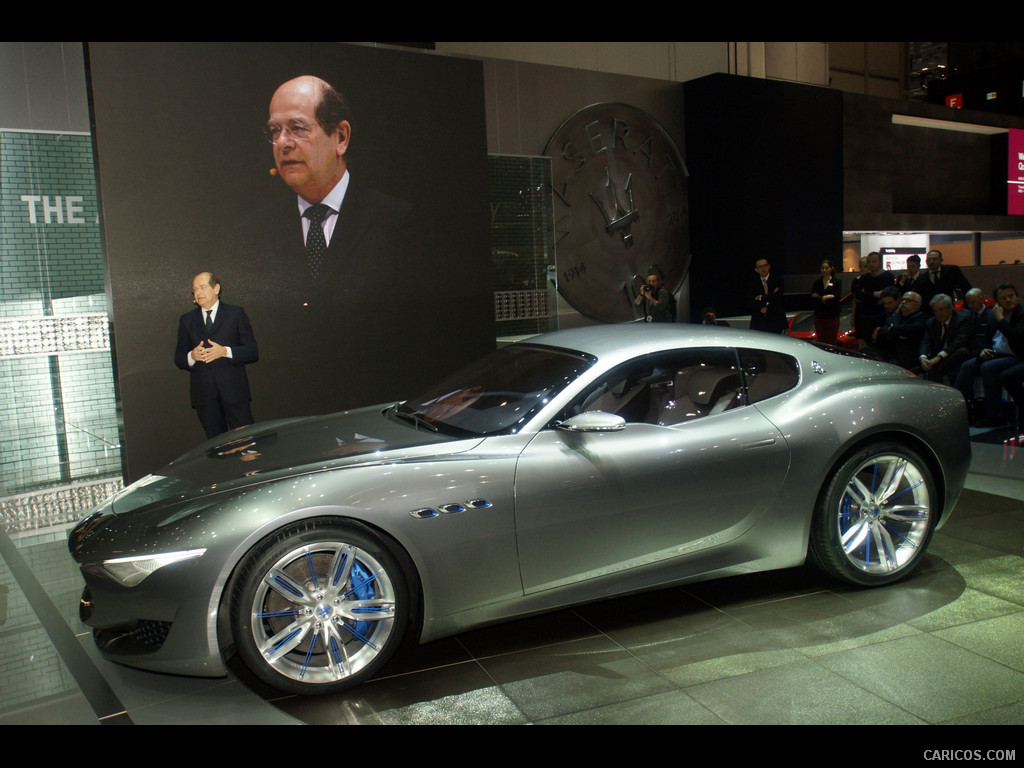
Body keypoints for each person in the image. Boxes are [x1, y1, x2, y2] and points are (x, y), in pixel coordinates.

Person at [174, 272, 259, 439]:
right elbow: (178, 357)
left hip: (234, 392)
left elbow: (252, 351)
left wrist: (224, 351)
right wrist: (192, 356)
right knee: (217, 449)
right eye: (195, 289)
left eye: (203, 287)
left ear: (216, 288)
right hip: (204, 396)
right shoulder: (187, 320)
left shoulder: (235, 314)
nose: (198, 293)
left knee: (246, 443)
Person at [955, 284, 1022, 427]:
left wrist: (1001, 320)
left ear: (1018, 297)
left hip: (1016, 356)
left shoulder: (1020, 314)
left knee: (989, 367)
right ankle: (961, 410)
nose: (1009, 300)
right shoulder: (995, 314)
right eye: (1004, 298)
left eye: (1012, 296)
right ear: (997, 301)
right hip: (996, 353)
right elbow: (987, 338)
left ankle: (994, 415)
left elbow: (1016, 338)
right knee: (967, 366)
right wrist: (984, 349)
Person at [918, 293, 976, 383]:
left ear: (950, 308)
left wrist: (940, 356)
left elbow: (959, 341)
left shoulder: (963, 319)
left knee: (960, 352)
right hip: (940, 355)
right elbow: (926, 340)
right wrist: (923, 357)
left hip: (958, 352)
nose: (938, 314)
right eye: (935, 311)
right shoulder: (931, 322)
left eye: (941, 309)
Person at [865, 290, 926, 370]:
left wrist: (891, 330)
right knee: (865, 352)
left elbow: (909, 330)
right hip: (888, 352)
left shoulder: (921, 317)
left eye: (908, 300)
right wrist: (895, 332)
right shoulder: (896, 317)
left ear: (918, 304)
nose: (904, 302)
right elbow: (881, 333)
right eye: (902, 300)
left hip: (904, 357)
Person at [852, 251, 896, 349]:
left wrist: (867, 295)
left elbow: (886, 294)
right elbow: (858, 295)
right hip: (866, 317)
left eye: (874, 261)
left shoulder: (888, 277)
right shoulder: (864, 278)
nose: (871, 264)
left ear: (880, 262)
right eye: (869, 262)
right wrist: (874, 294)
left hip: (882, 316)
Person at [810, 258, 842, 346]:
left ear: (831, 268)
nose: (824, 270)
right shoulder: (817, 283)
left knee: (831, 341)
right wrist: (824, 298)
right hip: (819, 316)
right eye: (822, 268)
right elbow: (813, 297)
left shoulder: (837, 282)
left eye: (826, 268)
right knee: (821, 341)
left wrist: (820, 297)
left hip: (832, 316)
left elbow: (837, 298)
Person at [749, 257, 786, 333]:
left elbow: (778, 298)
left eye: (765, 265)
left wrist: (760, 297)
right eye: (760, 267)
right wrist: (770, 296)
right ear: (756, 269)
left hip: (776, 320)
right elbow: (750, 302)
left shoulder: (778, 280)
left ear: (769, 267)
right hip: (759, 321)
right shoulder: (752, 284)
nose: (763, 268)